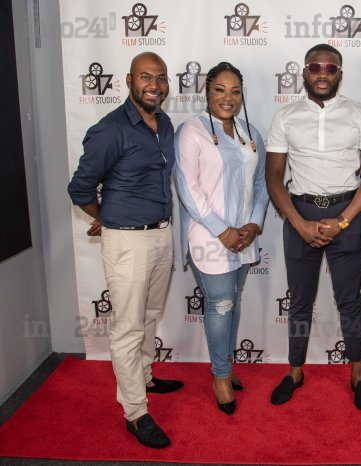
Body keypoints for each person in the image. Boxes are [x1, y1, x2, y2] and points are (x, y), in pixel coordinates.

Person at [68, 52, 182, 448]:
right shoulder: (110, 130)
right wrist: (109, 217)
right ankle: (135, 412)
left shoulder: (165, 124)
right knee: (128, 327)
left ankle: (145, 376)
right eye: (146, 77)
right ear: (129, 81)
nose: (154, 85)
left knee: (149, 315)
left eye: (161, 78)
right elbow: (79, 189)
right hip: (127, 241)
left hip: (161, 234)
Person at [266, 44, 361, 412]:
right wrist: (299, 223)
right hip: (299, 213)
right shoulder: (285, 116)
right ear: (304, 71)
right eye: (315, 66)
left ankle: (358, 373)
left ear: (339, 74)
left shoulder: (359, 114)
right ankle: (295, 370)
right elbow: (273, 177)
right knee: (300, 301)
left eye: (330, 68)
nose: (322, 73)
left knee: (349, 301)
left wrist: (344, 221)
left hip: (347, 213)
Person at [174, 62, 268, 416]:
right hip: (209, 237)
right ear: (207, 92)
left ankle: (226, 363)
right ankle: (220, 376)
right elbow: (188, 188)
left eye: (235, 91)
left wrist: (254, 224)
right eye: (219, 90)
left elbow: (261, 185)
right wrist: (221, 229)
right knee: (221, 304)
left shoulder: (250, 132)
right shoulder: (191, 131)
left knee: (234, 300)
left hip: (243, 237)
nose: (228, 97)